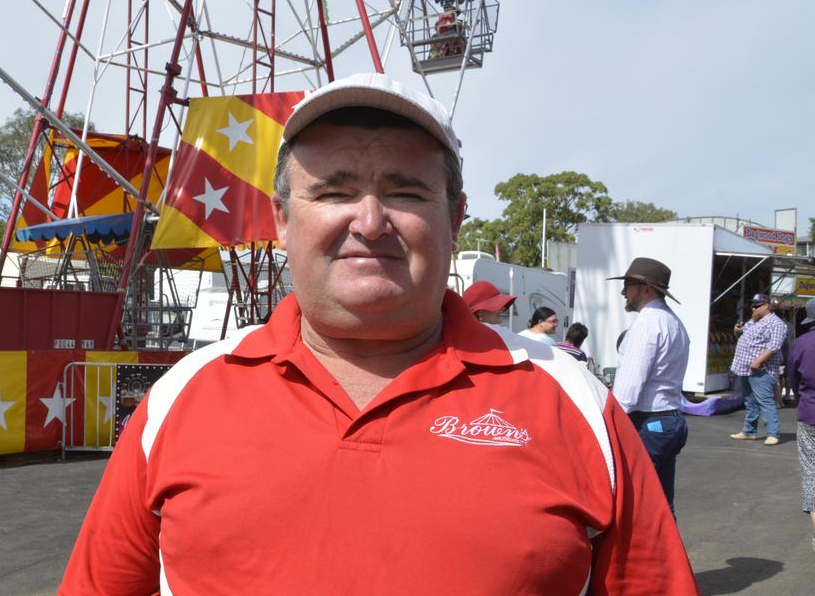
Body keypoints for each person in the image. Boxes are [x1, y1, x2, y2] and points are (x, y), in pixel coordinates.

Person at [60, 73, 696, 594]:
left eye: (406, 192)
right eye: (334, 191)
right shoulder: (181, 397)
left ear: (454, 219)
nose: (369, 221)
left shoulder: (574, 402)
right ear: (282, 218)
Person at [607, 257, 691, 512]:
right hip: (670, 419)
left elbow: (628, 389)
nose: (624, 292)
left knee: (638, 504)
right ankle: (670, 552)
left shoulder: (647, 324)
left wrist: (609, 420)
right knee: (662, 505)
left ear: (646, 289)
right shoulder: (673, 321)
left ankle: (647, 552)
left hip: (650, 422)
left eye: (628, 285)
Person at [731, 292, 788, 445]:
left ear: (767, 306)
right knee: (750, 402)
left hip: (761, 369)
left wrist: (758, 360)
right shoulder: (754, 321)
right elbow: (742, 334)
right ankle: (749, 431)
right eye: (752, 306)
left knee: (765, 401)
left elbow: (774, 346)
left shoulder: (776, 324)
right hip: (745, 368)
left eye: (757, 306)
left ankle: (773, 433)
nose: (753, 309)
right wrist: (737, 330)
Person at [788, 298, 815, 551]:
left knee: (812, 472)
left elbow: (793, 382)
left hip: (810, 416)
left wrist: (802, 399)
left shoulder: (800, 344)